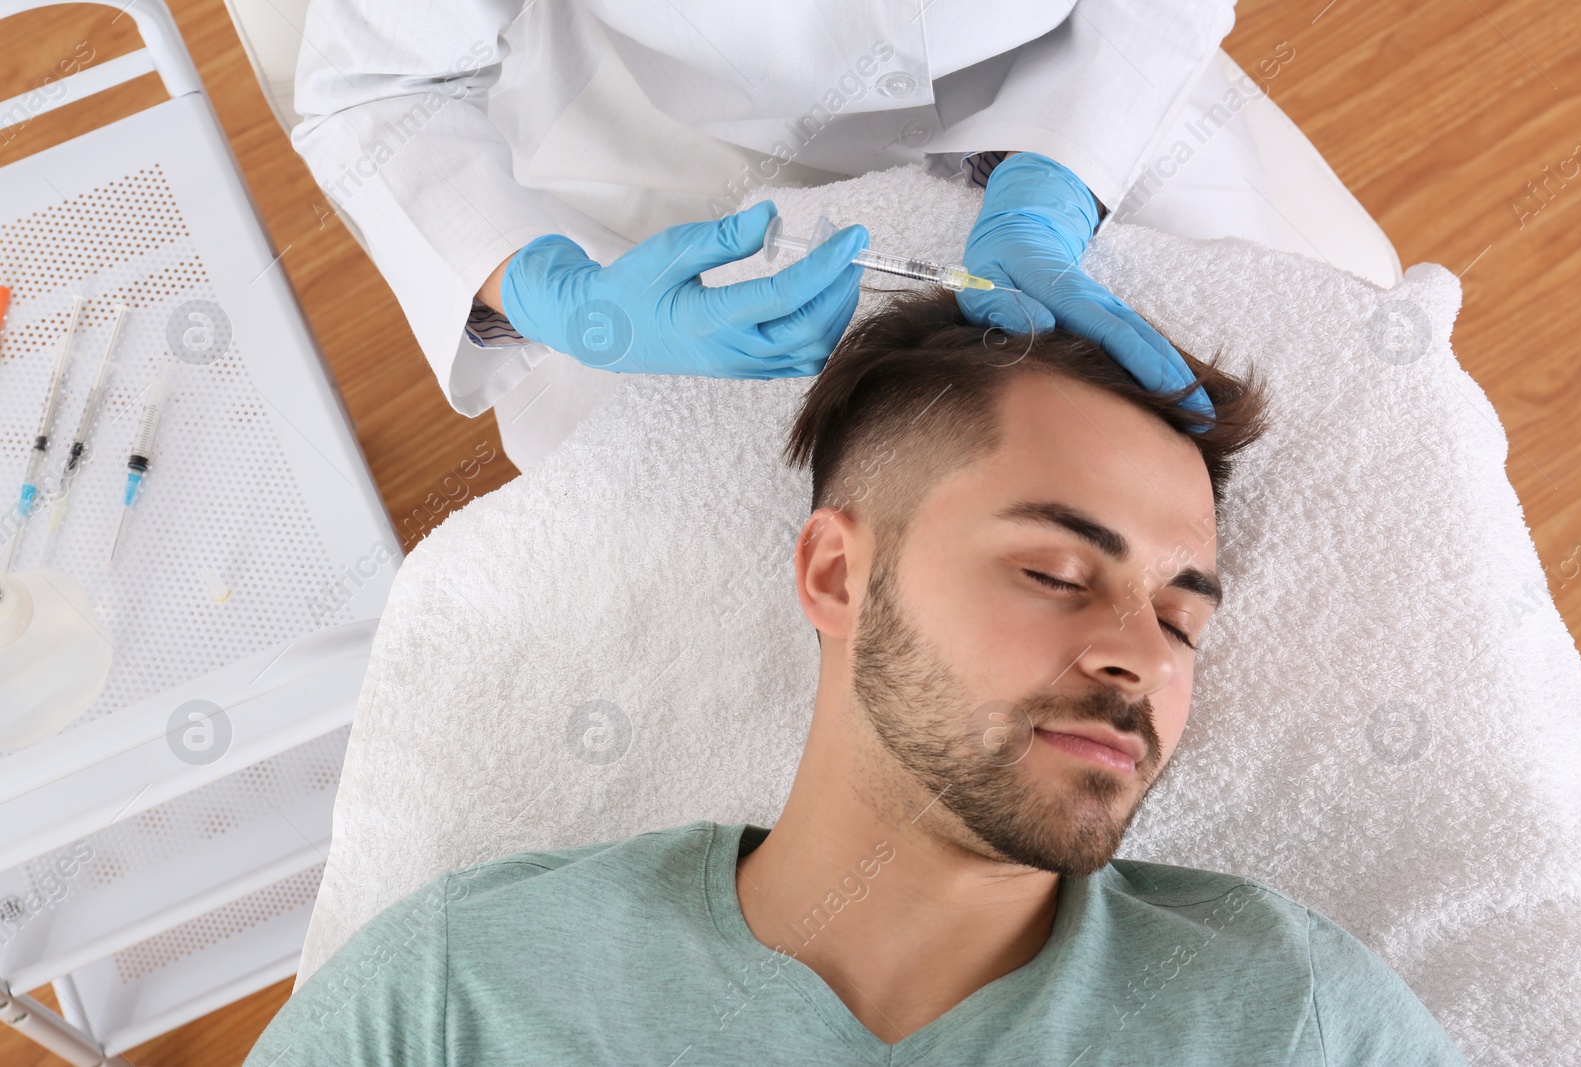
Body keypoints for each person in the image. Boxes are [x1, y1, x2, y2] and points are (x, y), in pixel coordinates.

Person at [243, 290, 1470, 1065]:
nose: (1137, 655)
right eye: (1053, 570)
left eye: (1179, 616)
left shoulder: (1288, 1019)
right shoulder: (474, 987)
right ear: (836, 572)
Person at [292, 1, 1235, 436]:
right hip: (681, 142)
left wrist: (1060, 172)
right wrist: (546, 292)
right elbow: (370, 93)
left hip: (1084, 80)